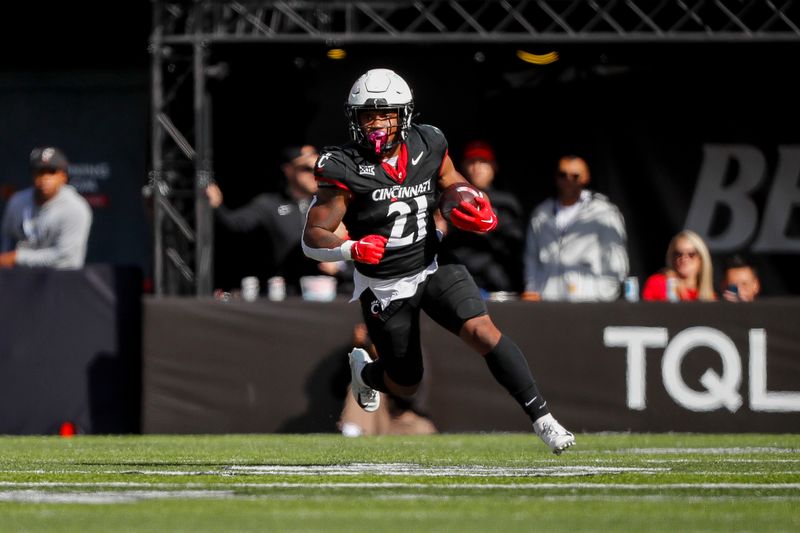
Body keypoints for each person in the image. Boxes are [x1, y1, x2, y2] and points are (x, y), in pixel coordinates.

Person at [301, 68, 574, 454]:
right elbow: (313, 237)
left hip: (432, 261)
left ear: (405, 115)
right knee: (406, 381)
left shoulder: (429, 142)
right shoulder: (343, 166)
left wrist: (466, 199)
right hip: (385, 283)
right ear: (353, 118)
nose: (376, 123)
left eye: (386, 114)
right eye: (367, 115)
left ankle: (544, 419)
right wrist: (351, 249)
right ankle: (367, 372)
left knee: (483, 331)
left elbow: (451, 181)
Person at [206, 144, 346, 296]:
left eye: (318, 168)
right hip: (285, 294)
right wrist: (216, 205)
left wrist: (339, 265)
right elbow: (234, 224)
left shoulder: (331, 202)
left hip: (328, 292)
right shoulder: (269, 204)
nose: (314, 173)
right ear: (288, 170)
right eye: (306, 168)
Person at [522, 154, 628, 302]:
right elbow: (531, 257)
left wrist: (604, 294)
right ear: (556, 177)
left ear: (586, 178)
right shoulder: (541, 213)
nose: (568, 180)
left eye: (575, 176)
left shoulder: (604, 212)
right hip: (548, 300)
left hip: (589, 301)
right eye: (562, 175)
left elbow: (615, 257)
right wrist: (532, 289)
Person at [437, 140, 525, 294]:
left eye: (483, 162)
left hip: (497, 282)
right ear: (463, 166)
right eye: (471, 162)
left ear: (494, 167)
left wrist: (488, 225)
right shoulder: (449, 198)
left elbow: (515, 241)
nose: (476, 168)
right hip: (458, 278)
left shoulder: (506, 202)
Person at [339, 322, 437, 437]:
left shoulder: (409, 348)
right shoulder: (364, 350)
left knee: (423, 430)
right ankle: (353, 438)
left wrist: (385, 360)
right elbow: (338, 388)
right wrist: (355, 350)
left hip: (404, 418)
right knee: (364, 385)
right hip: (374, 421)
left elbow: (412, 396)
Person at [0, 147, 92, 269]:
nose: (45, 178)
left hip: (63, 280)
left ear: (63, 177)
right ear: (33, 175)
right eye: (40, 172)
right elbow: (6, 242)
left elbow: (65, 256)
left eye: (52, 172)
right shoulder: (17, 201)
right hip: (20, 280)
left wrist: (17, 257)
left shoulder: (76, 208)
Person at [642, 229, 716, 301]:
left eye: (691, 254)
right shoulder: (657, 284)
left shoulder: (709, 296)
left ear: (701, 259)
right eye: (678, 254)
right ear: (671, 257)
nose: (684, 258)